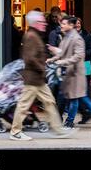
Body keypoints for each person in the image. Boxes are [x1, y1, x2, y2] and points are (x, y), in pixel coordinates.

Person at [9, 11, 76, 141]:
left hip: (38, 79)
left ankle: (58, 129)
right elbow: (30, 58)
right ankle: (15, 132)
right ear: (35, 23)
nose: (45, 23)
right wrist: (43, 67)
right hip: (33, 78)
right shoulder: (31, 36)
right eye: (42, 21)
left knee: (50, 102)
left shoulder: (35, 35)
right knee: (23, 105)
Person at [47, 16, 91, 129]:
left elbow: (79, 56)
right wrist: (52, 59)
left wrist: (62, 62)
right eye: (61, 24)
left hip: (76, 73)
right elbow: (62, 52)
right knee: (78, 97)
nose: (62, 26)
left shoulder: (77, 38)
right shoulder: (66, 37)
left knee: (76, 98)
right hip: (69, 73)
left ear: (71, 25)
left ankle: (71, 122)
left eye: (64, 24)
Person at [75, 17, 91, 124]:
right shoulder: (70, 36)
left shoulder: (87, 36)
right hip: (74, 66)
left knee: (84, 91)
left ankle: (90, 113)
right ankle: (86, 113)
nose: (77, 25)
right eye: (76, 23)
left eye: (79, 23)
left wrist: (83, 54)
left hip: (85, 65)